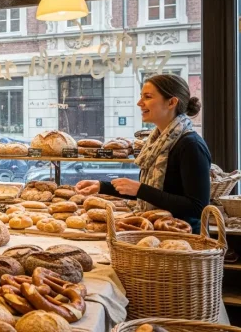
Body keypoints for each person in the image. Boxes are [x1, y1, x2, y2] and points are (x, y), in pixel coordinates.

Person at [76, 74, 211, 233]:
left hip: (183, 238)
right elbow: (155, 194)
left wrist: (140, 189)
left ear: (171, 102)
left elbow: (198, 207)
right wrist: (102, 186)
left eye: (147, 97)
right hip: (154, 232)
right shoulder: (157, 142)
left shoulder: (191, 145)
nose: (139, 103)